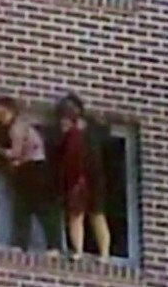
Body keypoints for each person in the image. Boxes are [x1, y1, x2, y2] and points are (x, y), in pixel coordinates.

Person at [0, 96, 60, 257]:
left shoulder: (17, 128)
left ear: (11, 111)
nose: (1, 118)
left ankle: (45, 245)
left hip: (33, 168)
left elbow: (16, 152)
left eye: (3, 113)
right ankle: (33, 245)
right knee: (25, 207)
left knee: (34, 207)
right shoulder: (22, 125)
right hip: (31, 167)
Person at [54, 92, 111, 262]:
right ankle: (78, 251)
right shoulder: (66, 135)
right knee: (76, 215)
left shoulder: (91, 128)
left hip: (93, 177)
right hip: (75, 177)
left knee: (97, 214)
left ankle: (104, 254)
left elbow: (105, 136)